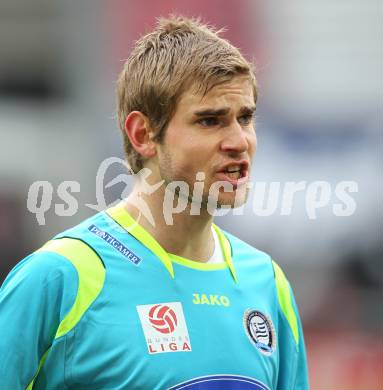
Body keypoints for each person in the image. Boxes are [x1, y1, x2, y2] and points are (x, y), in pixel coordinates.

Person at [0, 16, 309, 389]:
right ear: (143, 134)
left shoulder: (267, 284)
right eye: (210, 121)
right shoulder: (59, 277)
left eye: (245, 118)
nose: (239, 141)